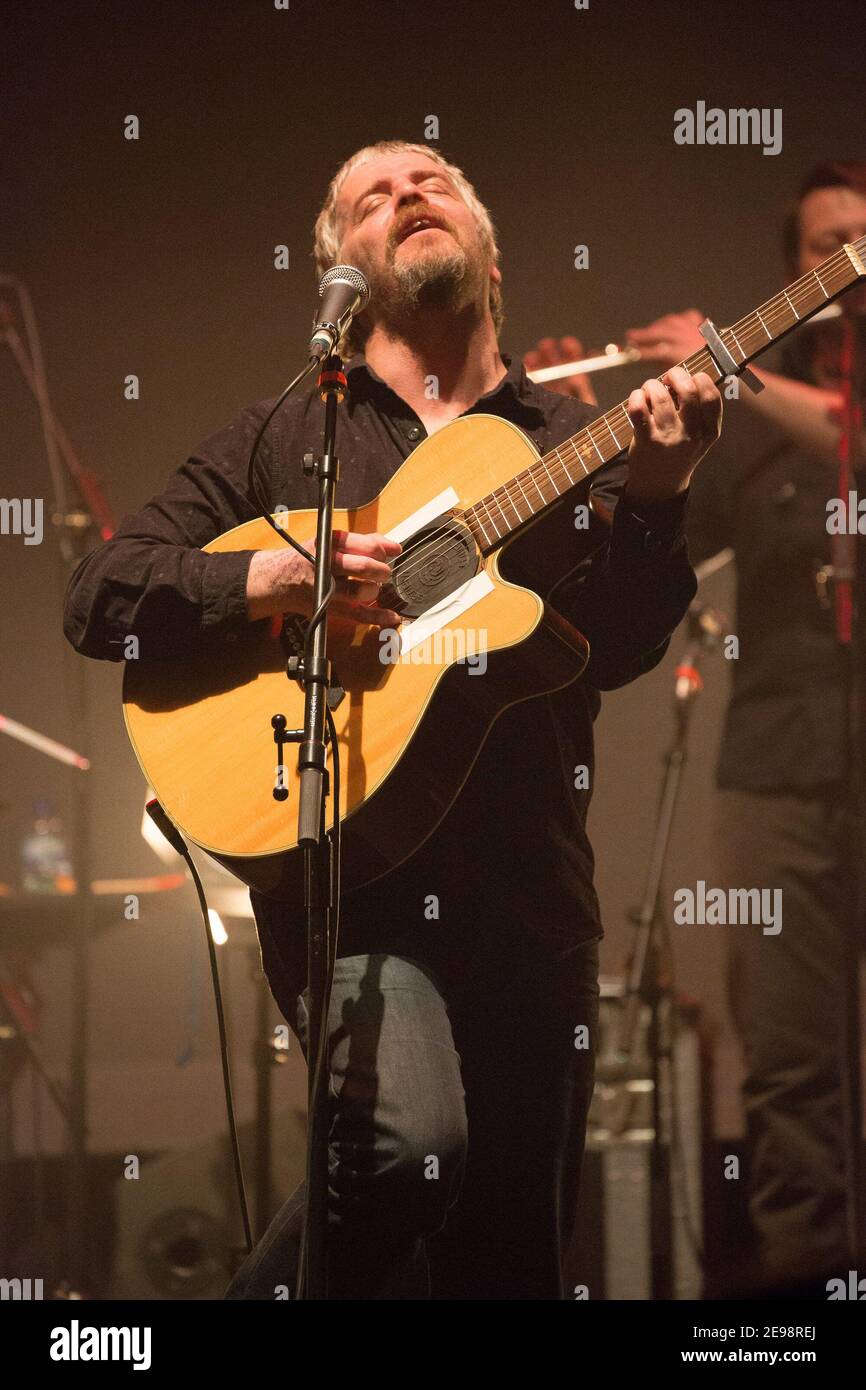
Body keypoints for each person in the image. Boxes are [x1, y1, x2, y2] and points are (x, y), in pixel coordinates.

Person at [63, 140, 721, 1299]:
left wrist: (659, 500)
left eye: (431, 182)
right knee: (407, 1152)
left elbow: (611, 651)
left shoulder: (567, 439)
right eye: (372, 197)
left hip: (532, 897)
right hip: (353, 889)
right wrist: (268, 577)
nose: (407, 194)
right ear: (343, 269)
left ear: (484, 242)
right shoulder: (286, 440)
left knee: (509, 1269)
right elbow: (98, 596)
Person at [533, 160, 866, 1284]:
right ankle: (803, 1286)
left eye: (861, 240)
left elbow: (850, 431)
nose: (846, 263)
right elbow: (650, 511)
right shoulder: (755, 428)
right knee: (784, 1057)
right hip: (775, 768)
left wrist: (730, 360)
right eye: (823, 246)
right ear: (795, 274)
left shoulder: (791, 404)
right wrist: (564, 425)